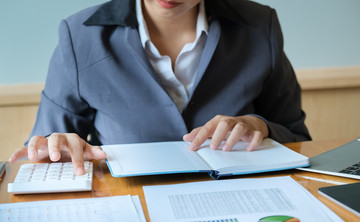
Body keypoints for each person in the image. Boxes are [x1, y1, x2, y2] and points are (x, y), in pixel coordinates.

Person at [9, 0, 311, 175]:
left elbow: (296, 135)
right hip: (126, 209)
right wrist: (57, 146)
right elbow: (48, 146)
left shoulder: (261, 25)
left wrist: (259, 125)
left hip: (244, 205)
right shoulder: (79, 35)